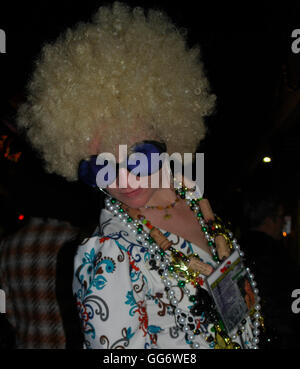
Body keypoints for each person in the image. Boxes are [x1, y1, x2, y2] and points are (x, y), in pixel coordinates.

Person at [17, 2, 262, 349]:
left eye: (136, 158)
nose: (121, 182)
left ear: (165, 132)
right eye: (99, 166)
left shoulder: (194, 200)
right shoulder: (107, 255)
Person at [241, 190, 300, 348]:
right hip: (276, 339)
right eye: (281, 217)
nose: (283, 223)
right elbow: (291, 300)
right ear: (269, 219)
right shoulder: (276, 255)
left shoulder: (236, 248)